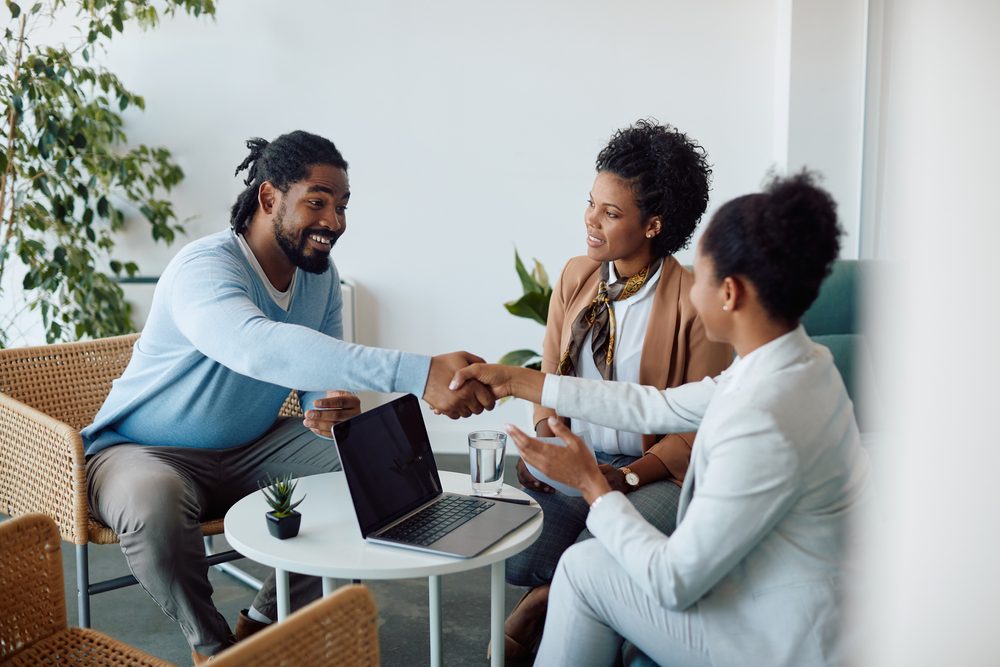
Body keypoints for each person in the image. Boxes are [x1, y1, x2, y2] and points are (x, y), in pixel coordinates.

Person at [81, 130, 494, 663]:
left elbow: (314, 369)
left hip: (252, 446)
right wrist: (418, 371)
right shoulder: (204, 268)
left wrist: (329, 403)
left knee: (373, 470)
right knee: (153, 502)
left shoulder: (319, 280)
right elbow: (256, 347)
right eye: (317, 202)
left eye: (342, 206)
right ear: (269, 198)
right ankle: (214, 650)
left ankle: (261, 625)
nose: (334, 222)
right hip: (138, 451)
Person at [452, 172, 870, 666]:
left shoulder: (762, 421)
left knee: (585, 571)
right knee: (583, 566)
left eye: (704, 279)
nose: (693, 293)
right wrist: (515, 381)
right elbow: (652, 404)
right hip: (796, 601)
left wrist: (594, 486)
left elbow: (674, 581)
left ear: (729, 293)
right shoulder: (799, 364)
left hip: (775, 638)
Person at [502, 120, 732, 656]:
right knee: (511, 552)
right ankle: (544, 588)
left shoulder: (694, 303)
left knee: (595, 561)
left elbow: (699, 429)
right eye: (591, 203)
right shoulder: (575, 276)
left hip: (656, 474)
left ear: (653, 225)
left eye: (611, 213)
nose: (590, 221)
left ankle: (539, 606)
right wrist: (546, 443)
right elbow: (548, 377)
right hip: (577, 455)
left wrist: (621, 478)